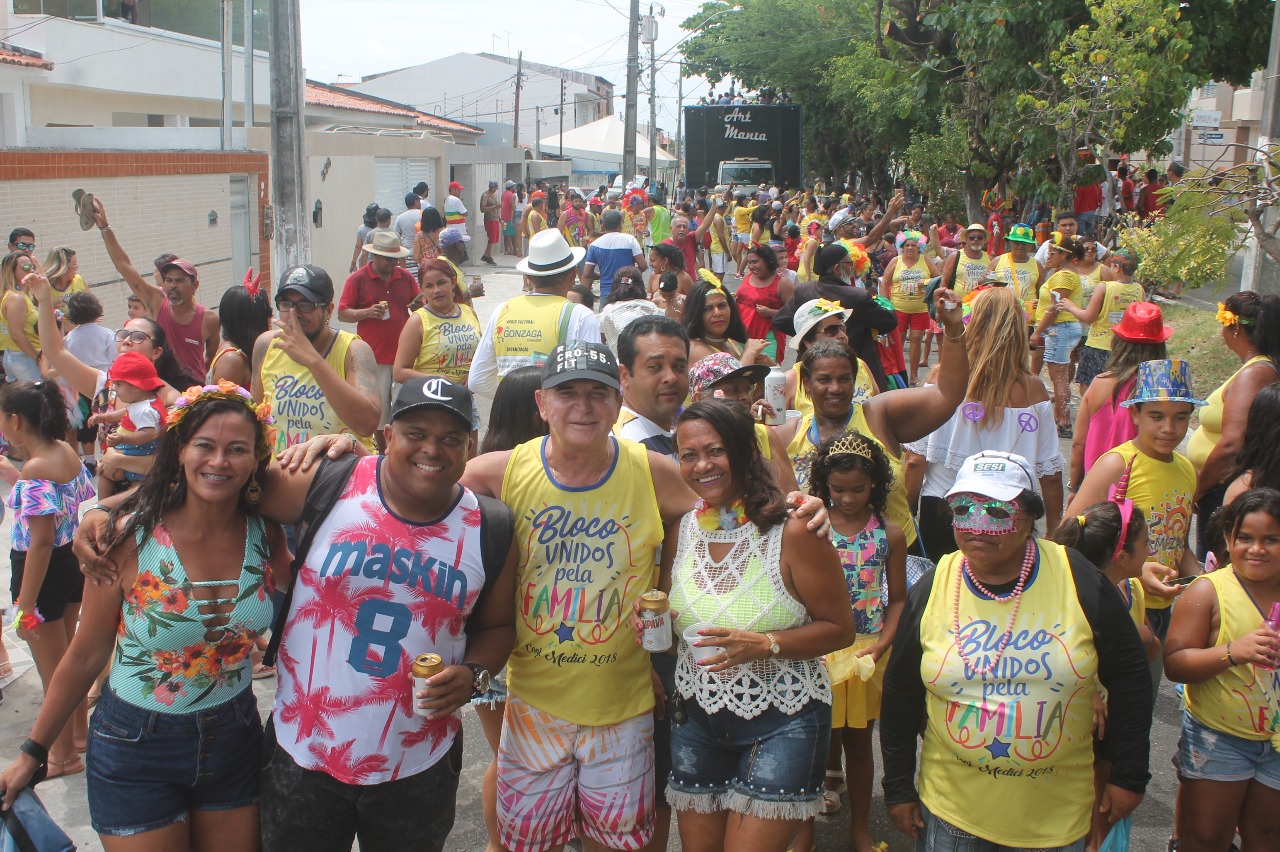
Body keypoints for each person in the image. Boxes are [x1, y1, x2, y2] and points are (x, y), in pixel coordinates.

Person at [75, 377, 517, 852]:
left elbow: (496, 627)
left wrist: (472, 674)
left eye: (451, 437)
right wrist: (105, 506)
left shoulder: (489, 525)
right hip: (302, 753)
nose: (433, 448)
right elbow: (214, 480)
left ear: (470, 444)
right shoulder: (331, 480)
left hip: (418, 758)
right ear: (388, 435)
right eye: (416, 433)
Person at [0, 383, 281, 849]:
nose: (219, 461)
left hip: (234, 737)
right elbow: (86, 655)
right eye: (205, 446)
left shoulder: (265, 531)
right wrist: (33, 752)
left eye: (237, 450)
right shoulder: (128, 538)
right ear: (180, 450)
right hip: (136, 744)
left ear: (256, 460)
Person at [881, 450, 1153, 851]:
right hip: (953, 817)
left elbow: (1129, 677)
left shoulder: (1078, 579)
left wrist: (1128, 775)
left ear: (1029, 518)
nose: (977, 527)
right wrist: (898, 787)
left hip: (1056, 820)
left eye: (996, 512)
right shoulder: (934, 585)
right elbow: (901, 691)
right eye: (963, 509)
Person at [656, 399, 853, 851]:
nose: (702, 465)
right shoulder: (682, 530)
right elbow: (672, 638)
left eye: (716, 450)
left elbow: (839, 628)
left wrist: (767, 644)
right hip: (697, 721)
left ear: (746, 449)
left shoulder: (795, 529)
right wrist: (652, 626)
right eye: (689, 455)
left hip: (784, 720)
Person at [776, 296, 970, 556]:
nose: (835, 388)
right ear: (807, 385)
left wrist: (955, 331)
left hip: (896, 559)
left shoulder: (879, 416)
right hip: (820, 563)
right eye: (824, 379)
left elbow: (948, 395)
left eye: (844, 379)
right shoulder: (788, 432)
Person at [792, 432, 906, 852]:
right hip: (816, 649)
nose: (848, 498)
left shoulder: (889, 535)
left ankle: (861, 830)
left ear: (875, 482)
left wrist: (882, 644)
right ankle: (802, 836)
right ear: (823, 486)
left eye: (858, 489)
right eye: (838, 490)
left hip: (863, 651)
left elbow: (898, 601)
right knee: (809, 745)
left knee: (859, 743)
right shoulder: (808, 529)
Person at [1067, 359, 1203, 690]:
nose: (1169, 428)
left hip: (1163, 613)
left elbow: (1179, 543)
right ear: (1135, 414)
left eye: (1181, 417)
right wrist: (1137, 571)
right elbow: (1071, 536)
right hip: (1116, 605)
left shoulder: (1187, 470)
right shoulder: (1117, 464)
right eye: (1156, 416)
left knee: (1140, 702)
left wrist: (1202, 579)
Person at [903, 287, 1064, 562]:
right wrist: (1054, 531)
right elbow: (1050, 474)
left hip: (945, 508)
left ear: (972, 323)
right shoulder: (1034, 391)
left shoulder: (942, 378)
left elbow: (916, 460)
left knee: (945, 593)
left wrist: (908, 510)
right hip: (1008, 516)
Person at [1164, 488, 1280, 852]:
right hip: (1219, 737)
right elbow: (1176, 663)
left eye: (1271, 539)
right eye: (1246, 537)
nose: (1257, 549)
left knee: (1266, 835)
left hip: (1276, 742)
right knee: (1207, 836)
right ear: (1228, 538)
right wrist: (1233, 651)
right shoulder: (1207, 592)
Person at [1050, 498, 1159, 852]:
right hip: (1084, 717)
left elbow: (1146, 654)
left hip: (1117, 717)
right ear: (1122, 556)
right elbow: (1063, 656)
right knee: (1085, 802)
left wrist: (1147, 639)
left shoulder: (1134, 590)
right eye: (1145, 544)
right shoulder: (1074, 598)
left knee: (1106, 806)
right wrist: (1093, 692)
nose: (1151, 551)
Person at [0, 379, 94, 780]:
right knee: (68, 658)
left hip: (44, 570)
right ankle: (78, 738)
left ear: (16, 421)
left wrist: (24, 604)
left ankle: (61, 757)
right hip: (69, 564)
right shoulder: (66, 451)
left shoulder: (36, 469)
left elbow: (38, 542)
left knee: (52, 671)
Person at [1188, 291, 1280, 558]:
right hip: (1227, 484)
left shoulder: (1254, 373)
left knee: (1218, 560)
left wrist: (1199, 488)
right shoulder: (1259, 367)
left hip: (1223, 487)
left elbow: (1232, 444)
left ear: (1236, 328)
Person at [253, 264, 380, 455]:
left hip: (338, 477)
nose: (293, 314)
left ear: (328, 310)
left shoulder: (353, 351)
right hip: (281, 476)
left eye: (306, 305)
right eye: (286, 304)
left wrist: (312, 360)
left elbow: (366, 424)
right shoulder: (266, 344)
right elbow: (256, 419)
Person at [91, 199, 219, 382]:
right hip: (158, 386)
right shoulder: (157, 301)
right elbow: (124, 266)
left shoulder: (209, 318)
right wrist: (105, 228)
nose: (173, 285)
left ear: (195, 286)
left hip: (192, 392)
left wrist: (194, 378)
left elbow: (210, 354)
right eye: (169, 280)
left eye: (180, 281)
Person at [468, 229, 600, 399]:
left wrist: (514, 400)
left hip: (509, 419)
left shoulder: (502, 310)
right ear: (573, 273)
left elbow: (478, 380)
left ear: (530, 277)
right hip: (554, 420)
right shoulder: (580, 315)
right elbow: (589, 379)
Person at [1068, 302, 1172, 492]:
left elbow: (1078, 444)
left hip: (1095, 488)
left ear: (1119, 343)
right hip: (1142, 489)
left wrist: (1075, 487)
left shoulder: (1099, 383)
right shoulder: (1161, 390)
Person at [773, 243, 899, 393]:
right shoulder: (857, 297)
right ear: (837, 268)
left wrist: (812, 336)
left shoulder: (804, 290)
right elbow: (889, 322)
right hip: (851, 369)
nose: (852, 268)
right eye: (849, 263)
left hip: (811, 365)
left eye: (840, 328)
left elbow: (779, 320)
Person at [339, 230, 421, 436]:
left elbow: (419, 307)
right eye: (387, 259)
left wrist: (418, 305)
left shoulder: (406, 278)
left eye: (395, 259)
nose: (392, 263)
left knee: (404, 410)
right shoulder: (358, 279)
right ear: (375, 256)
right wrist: (367, 312)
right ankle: (382, 453)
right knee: (379, 410)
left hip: (404, 356)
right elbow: (342, 313)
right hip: (374, 356)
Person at [1057, 247, 1145, 392]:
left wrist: (1070, 306)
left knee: (1088, 387)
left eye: (1111, 265)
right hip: (1123, 348)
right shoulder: (1139, 290)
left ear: (1117, 267)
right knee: (1115, 388)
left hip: (1098, 346)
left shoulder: (1104, 287)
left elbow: (1088, 318)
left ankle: (1092, 414)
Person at [784, 298, 879, 420]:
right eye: (831, 330)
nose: (842, 336)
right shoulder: (791, 380)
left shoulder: (860, 365)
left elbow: (878, 411)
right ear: (808, 341)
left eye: (842, 328)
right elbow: (775, 430)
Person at [393, 258, 481, 388]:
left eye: (441, 283)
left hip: (464, 399)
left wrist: (473, 374)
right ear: (421, 289)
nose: (436, 290)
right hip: (430, 399)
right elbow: (399, 372)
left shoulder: (469, 312)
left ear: (453, 282)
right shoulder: (418, 321)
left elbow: (481, 356)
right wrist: (438, 379)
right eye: (429, 286)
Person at [1031, 231, 1086, 437]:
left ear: (1063, 255)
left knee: (1059, 377)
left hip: (1060, 329)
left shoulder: (1063, 276)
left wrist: (1037, 332)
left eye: (1052, 253)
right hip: (1061, 329)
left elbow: (1055, 309)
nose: (1047, 256)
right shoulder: (1064, 275)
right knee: (1059, 376)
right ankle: (1060, 419)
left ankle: (1062, 421)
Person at [88, 351, 167, 491]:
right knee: (106, 473)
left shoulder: (146, 410)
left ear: (136, 386)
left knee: (108, 475)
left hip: (138, 451)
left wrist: (122, 438)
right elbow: (124, 413)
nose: (115, 390)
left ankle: (102, 507)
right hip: (130, 449)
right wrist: (104, 417)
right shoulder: (141, 402)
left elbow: (147, 434)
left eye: (118, 385)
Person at [880, 229, 939, 386]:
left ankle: (913, 375)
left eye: (914, 245)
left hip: (920, 309)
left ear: (919, 247)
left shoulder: (925, 260)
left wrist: (926, 284)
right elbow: (885, 281)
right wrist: (885, 304)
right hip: (898, 307)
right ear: (901, 246)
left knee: (916, 340)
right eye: (907, 245)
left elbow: (938, 278)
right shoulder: (896, 261)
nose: (910, 248)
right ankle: (896, 374)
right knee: (896, 342)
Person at [684, 275, 771, 367]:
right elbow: (736, 381)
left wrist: (769, 366)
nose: (717, 313)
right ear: (696, 313)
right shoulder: (695, 349)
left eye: (722, 306)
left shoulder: (730, 342)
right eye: (707, 309)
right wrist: (749, 353)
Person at [735, 243, 794, 362]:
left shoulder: (783, 283)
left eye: (755, 262)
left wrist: (771, 312)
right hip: (741, 337)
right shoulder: (748, 275)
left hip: (766, 340)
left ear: (768, 261)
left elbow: (793, 313)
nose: (751, 266)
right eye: (749, 263)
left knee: (766, 378)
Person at [208, 281, 273, 388]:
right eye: (268, 311)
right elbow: (222, 404)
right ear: (254, 319)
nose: (272, 315)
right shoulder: (232, 360)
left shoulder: (239, 351)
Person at [584, 209, 647, 303]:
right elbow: (643, 266)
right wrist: (631, 275)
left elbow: (587, 273)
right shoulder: (630, 240)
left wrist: (602, 276)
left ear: (603, 225)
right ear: (620, 224)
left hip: (606, 292)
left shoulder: (594, 245)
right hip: (628, 292)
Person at [600, 267, 663, 353]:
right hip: (648, 359)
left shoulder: (608, 310)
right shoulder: (651, 307)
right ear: (641, 286)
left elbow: (601, 340)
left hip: (618, 362)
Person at [0, 251, 41, 381]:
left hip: (18, 356)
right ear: (11, 271)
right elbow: (17, 335)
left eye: (32, 266)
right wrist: (37, 357)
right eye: (26, 268)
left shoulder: (21, 295)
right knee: (36, 399)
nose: (31, 271)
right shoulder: (15, 298)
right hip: (24, 357)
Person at [43, 246, 87, 312]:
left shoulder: (78, 279)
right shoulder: (45, 288)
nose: (77, 266)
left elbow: (95, 304)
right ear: (63, 268)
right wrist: (49, 305)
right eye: (74, 264)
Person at [349, 201, 380, 273]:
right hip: (379, 262)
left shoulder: (361, 229)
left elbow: (358, 246)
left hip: (364, 262)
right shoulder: (381, 229)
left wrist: (353, 262)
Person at [480, 179, 500, 265]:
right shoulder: (485, 195)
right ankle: (488, 256)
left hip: (495, 218)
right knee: (491, 238)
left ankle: (486, 255)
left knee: (494, 238)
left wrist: (499, 218)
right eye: (492, 187)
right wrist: (495, 207)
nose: (493, 189)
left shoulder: (494, 195)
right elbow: (482, 209)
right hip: (489, 219)